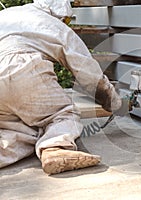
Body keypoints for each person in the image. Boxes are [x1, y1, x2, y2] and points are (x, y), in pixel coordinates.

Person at [0, 0, 123, 175]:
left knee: (14, 127)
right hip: (19, 68)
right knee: (63, 115)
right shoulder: (53, 24)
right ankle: (55, 147)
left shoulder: (8, 15)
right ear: (60, 14)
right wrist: (113, 102)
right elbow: (86, 71)